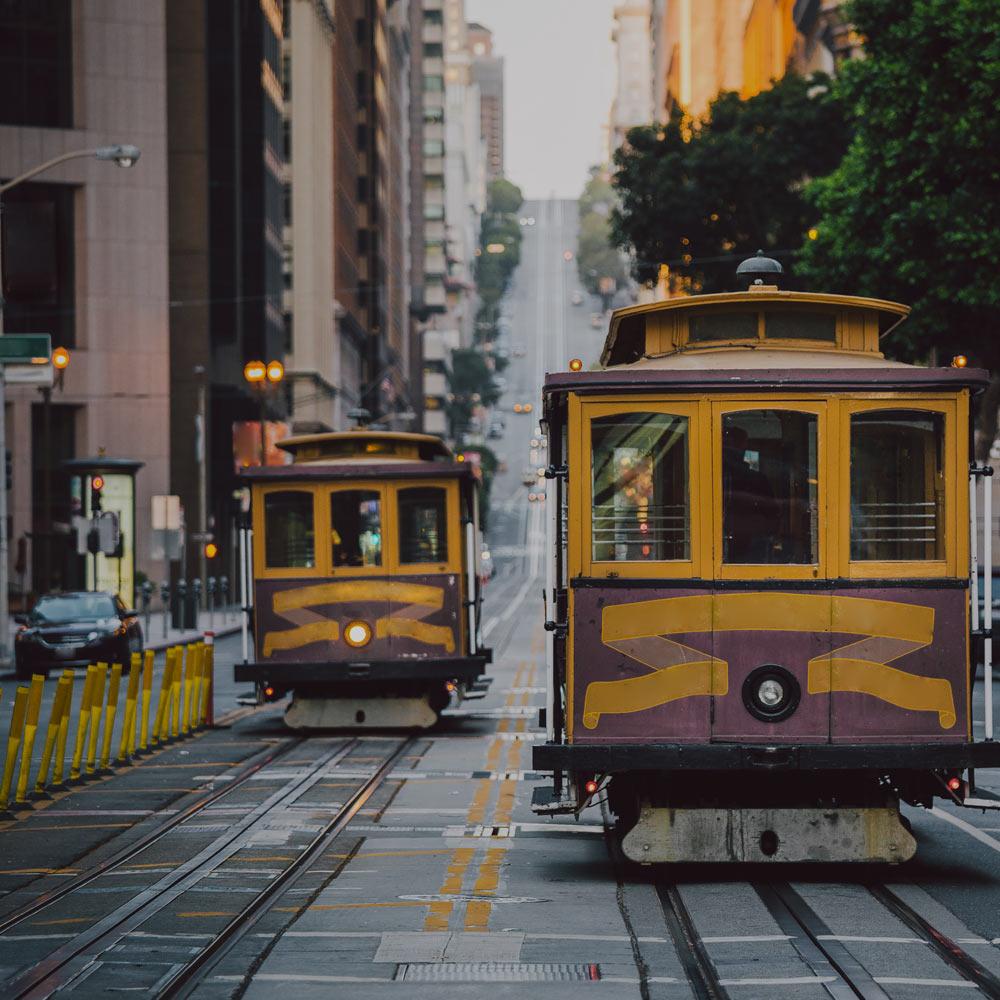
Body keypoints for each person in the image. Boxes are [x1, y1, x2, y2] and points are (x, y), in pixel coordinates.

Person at [722, 425, 777, 562]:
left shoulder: (715, 475)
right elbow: (772, 509)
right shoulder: (755, 477)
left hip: (741, 533)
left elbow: (771, 509)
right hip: (748, 533)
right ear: (744, 444)